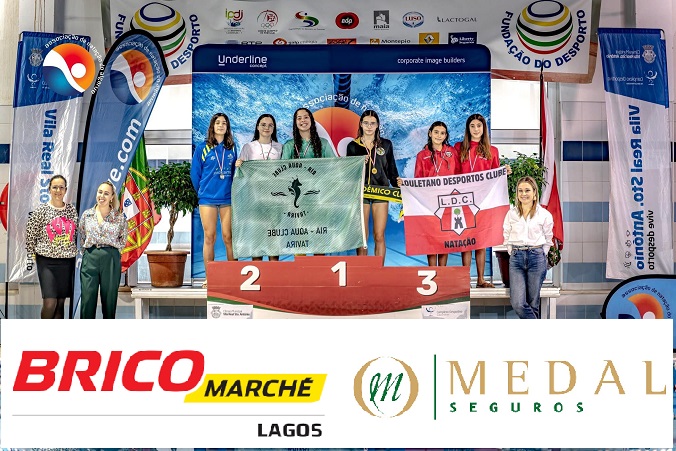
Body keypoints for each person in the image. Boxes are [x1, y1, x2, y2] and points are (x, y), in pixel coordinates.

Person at [455, 113, 510, 287]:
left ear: (484, 128)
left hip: (483, 202)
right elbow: (454, 172)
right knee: (466, 240)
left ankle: (480, 279)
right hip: (463, 200)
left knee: (481, 240)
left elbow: (495, 176)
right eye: (472, 126)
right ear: (468, 128)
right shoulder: (459, 148)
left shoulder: (492, 151)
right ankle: (464, 280)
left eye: (479, 126)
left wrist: (504, 172)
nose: (476, 129)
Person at [191, 112, 238, 286]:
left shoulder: (232, 148)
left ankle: (234, 277)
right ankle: (209, 277)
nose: (221, 125)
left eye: (224, 123)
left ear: (227, 127)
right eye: (218, 122)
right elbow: (195, 173)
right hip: (208, 199)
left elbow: (235, 172)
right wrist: (203, 191)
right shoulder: (202, 148)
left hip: (227, 197)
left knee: (228, 237)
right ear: (212, 126)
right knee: (210, 237)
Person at [346, 109, 399, 258]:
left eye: (372, 123)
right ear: (361, 124)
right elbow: (348, 173)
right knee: (362, 238)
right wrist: (358, 164)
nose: (369, 126)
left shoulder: (386, 145)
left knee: (379, 236)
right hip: (361, 193)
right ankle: (363, 270)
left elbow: (391, 169)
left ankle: (379, 270)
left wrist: (399, 185)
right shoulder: (352, 146)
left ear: (377, 125)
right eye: (366, 123)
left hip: (380, 192)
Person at [25, 175, 78, 319]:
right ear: (49, 189)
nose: (58, 190)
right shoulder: (41, 210)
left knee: (60, 303)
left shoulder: (71, 210)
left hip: (66, 262)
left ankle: (56, 334)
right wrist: (35, 255)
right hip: (46, 262)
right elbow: (30, 235)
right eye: (55, 187)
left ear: (65, 190)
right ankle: (43, 333)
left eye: (61, 187)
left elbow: (75, 234)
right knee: (50, 302)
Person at [502, 176, 553, 319]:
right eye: (520, 190)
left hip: (536, 257)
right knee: (518, 303)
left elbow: (548, 238)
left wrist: (540, 253)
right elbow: (506, 234)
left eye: (527, 190)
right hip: (516, 258)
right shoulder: (511, 214)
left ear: (534, 192)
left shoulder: (544, 215)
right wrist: (512, 251)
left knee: (533, 303)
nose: (523, 194)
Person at [235, 113, 282, 261]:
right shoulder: (248, 147)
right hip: (254, 197)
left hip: (274, 198)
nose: (266, 128)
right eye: (263, 124)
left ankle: (274, 270)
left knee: (273, 234)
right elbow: (240, 174)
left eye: (270, 125)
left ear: (274, 128)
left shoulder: (280, 147)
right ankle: (257, 268)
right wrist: (239, 165)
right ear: (257, 127)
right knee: (256, 234)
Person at [79, 181, 127, 319]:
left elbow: (123, 240)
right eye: (100, 192)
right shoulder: (87, 215)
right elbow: (82, 236)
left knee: (109, 300)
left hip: (110, 259)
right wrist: (89, 251)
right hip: (90, 257)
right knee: (87, 299)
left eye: (106, 193)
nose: (102, 196)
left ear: (112, 197)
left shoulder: (119, 217)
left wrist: (111, 252)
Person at [414, 121, 459, 267]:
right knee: (431, 237)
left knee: (444, 237)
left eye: (442, 133)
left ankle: (442, 271)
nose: (439, 136)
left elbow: (459, 175)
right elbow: (418, 179)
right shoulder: (422, 155)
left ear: (446, 136)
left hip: (448, 201)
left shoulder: (452, 153)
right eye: (436, 132)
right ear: (430, 133)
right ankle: (432, 271)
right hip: (429, 202)